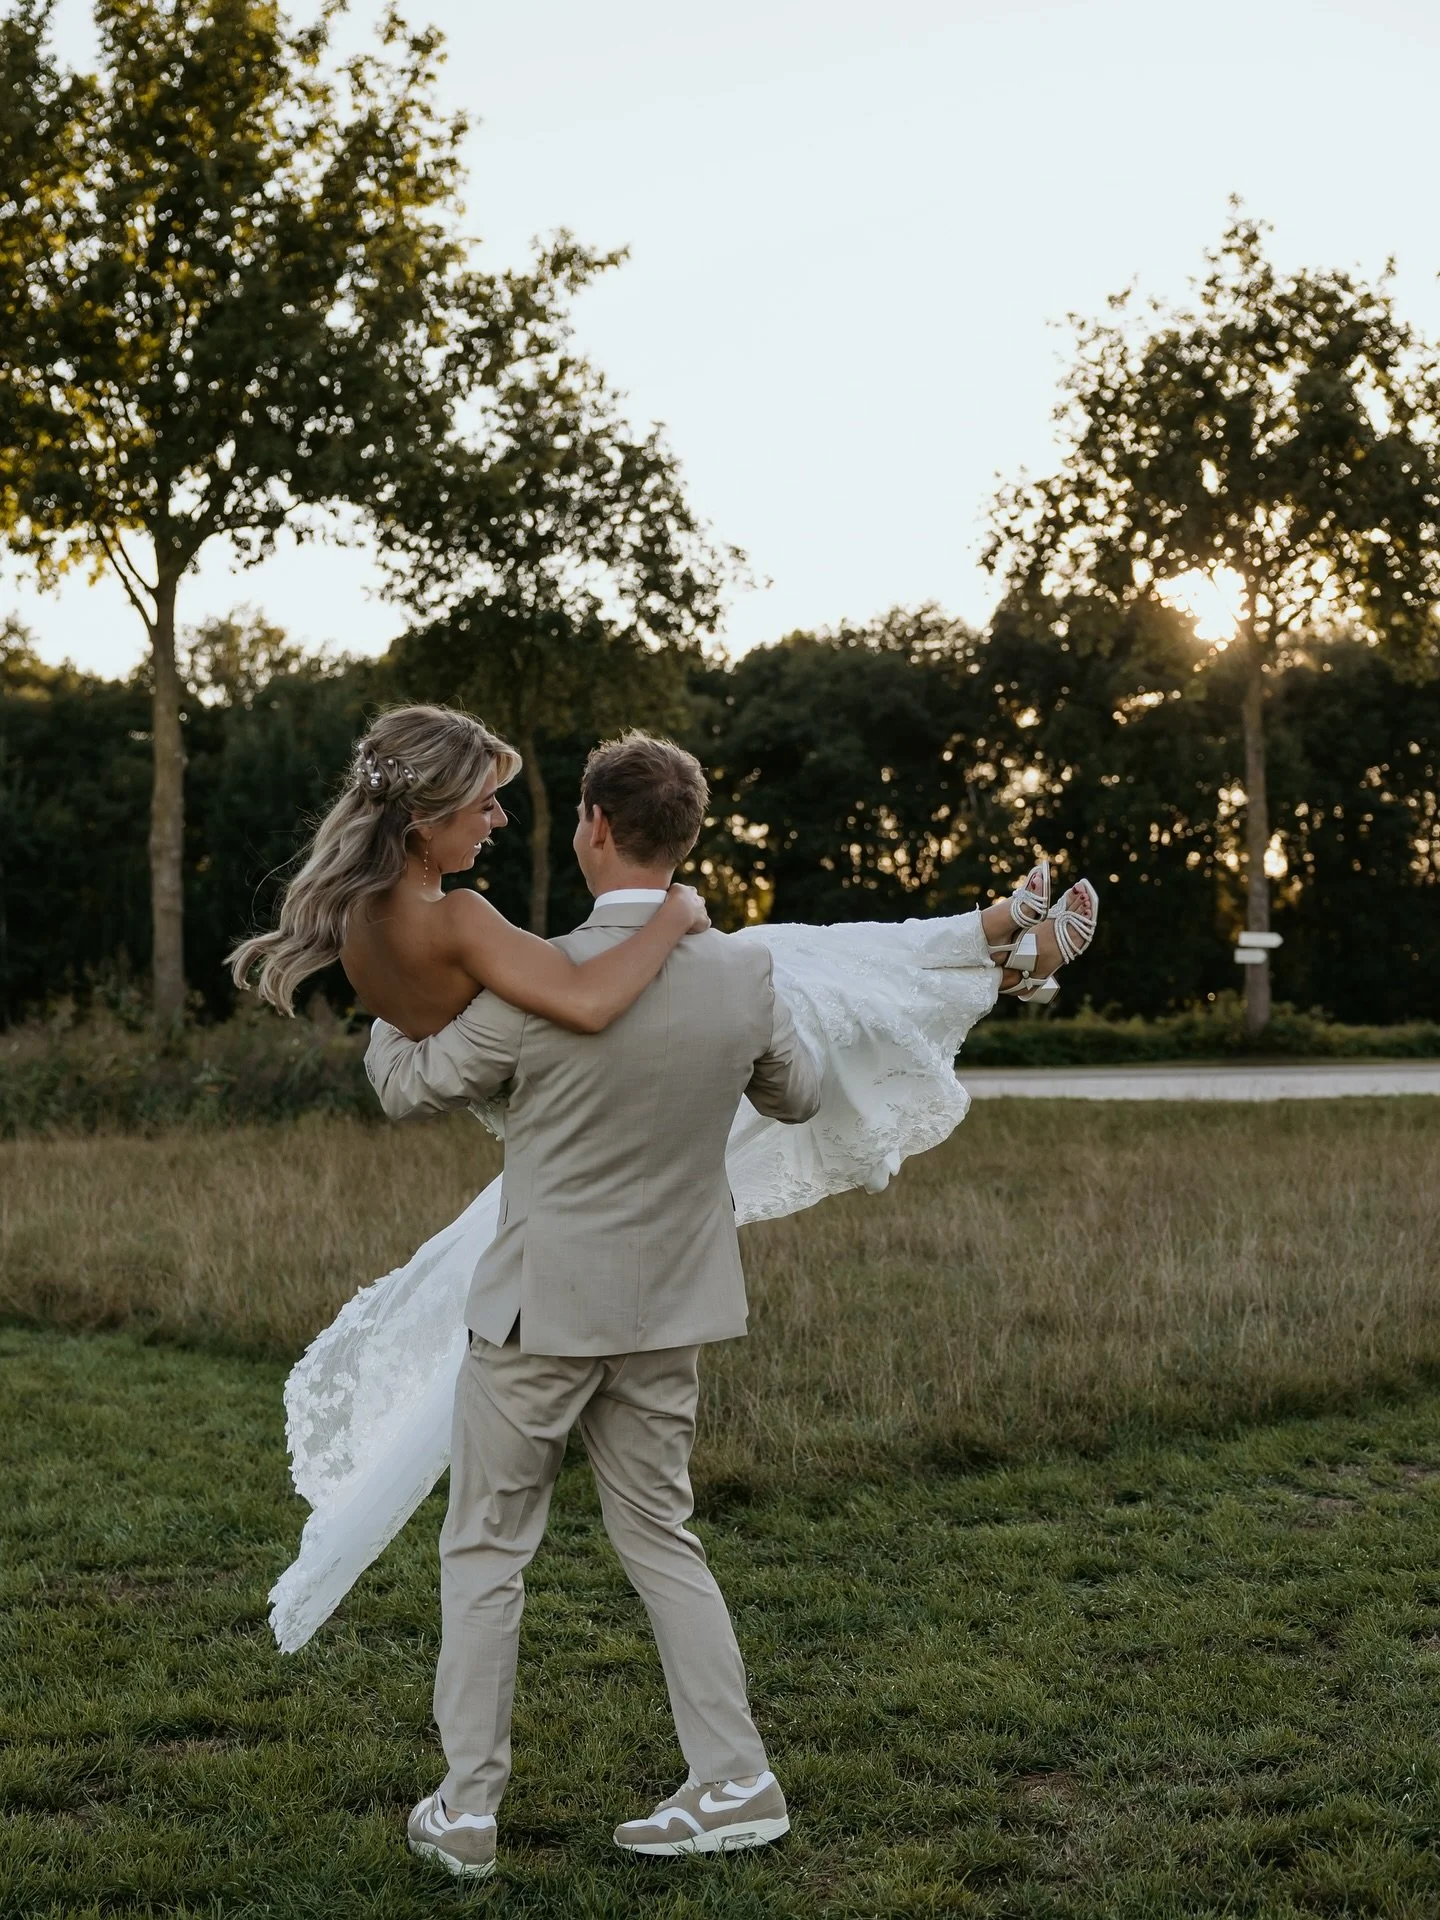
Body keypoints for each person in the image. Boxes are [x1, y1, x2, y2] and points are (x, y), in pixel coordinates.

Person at [237, 708, 1099, 1873]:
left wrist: (389, 1035)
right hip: (674, 1304)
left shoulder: (516, 988)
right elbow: (794, 1097)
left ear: (593, 829)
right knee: (663, 1539)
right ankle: (736, 1781)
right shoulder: (740, 974)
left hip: (540, 1309)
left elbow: (413, 1086)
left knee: (489, 1549)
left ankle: (470, 1807)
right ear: (682, 840)